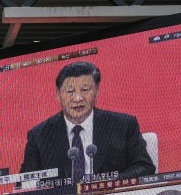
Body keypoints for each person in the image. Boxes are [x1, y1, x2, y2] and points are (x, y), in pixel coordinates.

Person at [19, 61, 155, 183]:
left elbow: (144, 167)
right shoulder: (39, 136)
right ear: (58, 96)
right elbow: (25, 183)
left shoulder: (124, 125)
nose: (77, 98)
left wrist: (105, 185)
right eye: (70, 91)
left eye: (85, 90)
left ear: (96, 93)